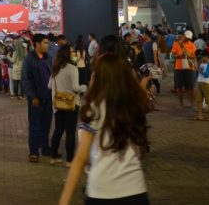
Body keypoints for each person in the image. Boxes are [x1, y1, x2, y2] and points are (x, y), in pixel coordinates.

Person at [58, 53, 150, 205]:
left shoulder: (94, 107)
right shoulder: (134, 106)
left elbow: (81, 158)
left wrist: (64, 200)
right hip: (136, 190)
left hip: (102, 191)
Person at [48, 44, 86, 167]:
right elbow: (75, 87)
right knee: (70, 133)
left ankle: (53, 157)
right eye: (72, 52)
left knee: (58, 130)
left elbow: (49, 85)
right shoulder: (72, 68)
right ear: (68, 54)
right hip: (71, 104)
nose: (74, 54)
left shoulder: (56, 68)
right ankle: (69, 160)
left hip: (58, 104)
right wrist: (84, 87)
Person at [22, 33, 53, 163]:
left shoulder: (48, 58)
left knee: (46, 125)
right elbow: (25, 79)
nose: (47, 45)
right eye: (45, 43)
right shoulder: (29, 59)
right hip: (36, 99)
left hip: (48, 98)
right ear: (37, 44)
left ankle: (45, 148)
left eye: (47, 43)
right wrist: (33, 96)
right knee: (35, 126)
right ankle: (33, 152)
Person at [171, 30, 196, 108]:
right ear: (183, 36)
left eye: (189, 38)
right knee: (179, 87)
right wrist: (179, 55)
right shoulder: (176, 43)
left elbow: (194, 56)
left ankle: (192, 103)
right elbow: (173, 55)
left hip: (189, 68)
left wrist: (188, 54)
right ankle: (180, 103)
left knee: (191, 87)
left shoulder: (192, 44)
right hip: (179, 68)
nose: (188, 39)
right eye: (187, 38)